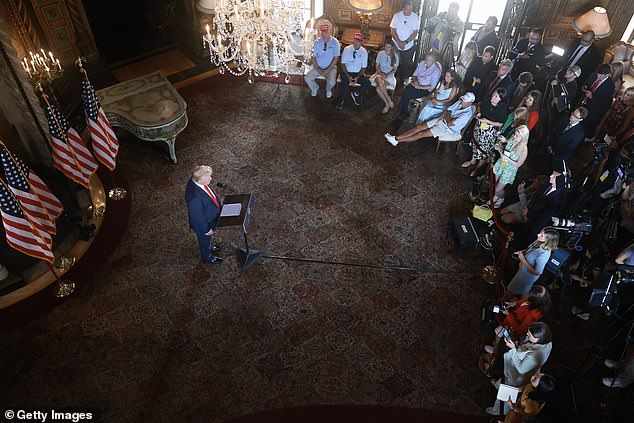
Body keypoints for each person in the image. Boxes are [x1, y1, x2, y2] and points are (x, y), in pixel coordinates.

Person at [486, 322, 553, 416]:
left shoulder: (535, 355)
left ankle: (497, 411)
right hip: (523, 371)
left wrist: (514, 349)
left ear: (538, 338)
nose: (527, 334)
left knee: (506, 395)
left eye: (530, 334)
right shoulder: (546, 341)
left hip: (519, 375)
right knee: (505, 380)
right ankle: (498, 386)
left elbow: (521, 368)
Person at [384, 92, 475, 146]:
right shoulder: (459, 102)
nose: (462, 101)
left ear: (470, 103)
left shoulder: (467, 114)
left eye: (465, 101)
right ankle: (395, 139)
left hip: (448, 129)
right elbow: (447, 110)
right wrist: (449, 116)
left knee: (421, 133)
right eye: (463, 99)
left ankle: (397, 140)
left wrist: (448, 115)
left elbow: (450, 123)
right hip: (442, 120)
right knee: (419, 127)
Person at [485, 285, 551, 352]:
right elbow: (524, 301)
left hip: (512, 325)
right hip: (512, 315)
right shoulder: (537, 300)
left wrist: (508, 314)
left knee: (498, 332)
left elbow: (520, 330)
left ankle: (495, 348)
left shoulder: (532, 316)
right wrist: (513, 304)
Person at [461, 89, 510, 177]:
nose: (493, 97)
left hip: (489, 132)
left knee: (483, 149)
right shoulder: (487, 100)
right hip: (479, 127)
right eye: (493, 94)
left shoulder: (502, 109)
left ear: (500, 99)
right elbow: (480, 105)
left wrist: (488, 121)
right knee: (475, 144)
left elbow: (501, 123)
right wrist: (479, 113)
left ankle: (478, 167)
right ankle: (472, 161)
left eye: (496, 96)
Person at [185, 165, 224, 264]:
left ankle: (210, 248)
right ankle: (207, 258)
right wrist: (206, 230)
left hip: (209, 217)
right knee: (204, 241)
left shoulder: (195, 180)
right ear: (201, 179)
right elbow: (197, 217)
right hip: (204, 226)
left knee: (206, 242)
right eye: (208, 177)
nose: (211, 178)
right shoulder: (195, 198)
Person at [506, 228, 559, 297]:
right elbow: (531, 249)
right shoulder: (539, 240)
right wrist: (523, 251)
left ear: (548, 240)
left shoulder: (544, 254)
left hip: (527, 275)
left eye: (542, 235)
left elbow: (537, 272)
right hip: (523, 269)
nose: (538, 235)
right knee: (524, 289)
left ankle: (503, 300)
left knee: (512, 288)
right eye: (540, 233)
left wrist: (523, 260)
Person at [491, 112, 530, 207]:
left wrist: (507, 158)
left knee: (497, 189)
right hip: (501, 163)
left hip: (509, 170)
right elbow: (506, 147)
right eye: (515, 134)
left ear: (523, 138)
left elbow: (518, 164)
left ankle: (498, 199)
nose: (514, 137)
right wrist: (500, 147)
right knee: (495, 183)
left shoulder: (524, 150)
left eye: (517, 136)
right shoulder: (513, 138)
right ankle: (498, 197)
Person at [394, 52, 441, 121]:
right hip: (416, 84)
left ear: (434, 61)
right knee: (406, 90)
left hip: (425, 89)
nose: (427, 61)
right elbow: (414, 75)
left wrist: (420, 87)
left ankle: (402, 111)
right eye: (426, 59)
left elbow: (432, 87)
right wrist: (416, 81)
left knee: (406, 94)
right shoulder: (422, 63)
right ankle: (403, 111)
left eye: (430, 60)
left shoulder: (436, 70)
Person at [546, 107, 588, 172]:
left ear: (580, 120)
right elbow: (554, 131)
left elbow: (569, 149)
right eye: (572, 113)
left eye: (575, 116)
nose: (571, 116)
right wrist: (549, 144)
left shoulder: (579, 134)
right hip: (549, 148)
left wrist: (554, 152)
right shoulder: (565, 119)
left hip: (558, 157)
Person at [304, 23, 340, 99]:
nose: (324, 34)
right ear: (320, 32)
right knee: (307, 78)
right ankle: (315, 88)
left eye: (325, 32)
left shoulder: (335, 42)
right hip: (318, 66)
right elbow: (313, 57)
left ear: (329, 31)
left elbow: (336, 58)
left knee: (332, 82)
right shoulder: (316, 42)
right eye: (322, 32)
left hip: (331, 68)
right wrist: (318, 69)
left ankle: (328, 89)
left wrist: (328, 70)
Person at [580, 63, 615, 140]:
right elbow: (587, 83)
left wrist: (592, 97)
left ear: (607, 75)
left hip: (595, 109)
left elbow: (604, 103)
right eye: (597, 74)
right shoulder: (595, 73)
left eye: (600, 75)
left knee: (586, 126)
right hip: (584, 103)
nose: (597, 77)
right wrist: (585, 87)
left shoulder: (610, 86)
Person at [336, 33, 370, 111]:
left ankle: (356, 94)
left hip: (357, 73)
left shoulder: (364, 52)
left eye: (358, 41)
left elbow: (364, 67)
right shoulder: (347, 49)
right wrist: (348, 76)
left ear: (361, 42)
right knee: (345, 85)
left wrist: (357, 77)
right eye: (354, 41)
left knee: (367, 83)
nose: (355, 43)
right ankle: (340, 101)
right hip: (346, 72)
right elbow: (343, 64)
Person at [390, 0, 420, 84]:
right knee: (395, 62)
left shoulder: (415, 17)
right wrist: (399, 42)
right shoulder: (396, 16)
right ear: (403, 8)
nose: (409, 11)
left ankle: (404, 80)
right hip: (396, 44)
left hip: (408, 46)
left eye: (410, 9)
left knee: (406, 64)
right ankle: (395, 79)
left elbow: (414, 33)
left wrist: (405, 42)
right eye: (407, 9)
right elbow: (393, 31)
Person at [428, 2, 464, 68]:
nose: (451, 12)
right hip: (435, 46)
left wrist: (448, 26)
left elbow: (456, 34)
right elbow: (432, 23)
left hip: (447, 50)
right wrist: (433, 20)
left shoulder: (459, 23)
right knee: (432, 66)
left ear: (457, 11)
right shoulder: (442, 14)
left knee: (443, 67)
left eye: (453, 11)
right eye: (450, 9)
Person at [371, 39, 399, 114]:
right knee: (380, 83)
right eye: (386, 46)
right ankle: (389, 101)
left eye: (389, 47)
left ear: (392, 47)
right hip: (379, 73)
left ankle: (387, 104)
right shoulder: (381, 53)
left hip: (389, 75)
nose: (387, 48)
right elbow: (377, 66)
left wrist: (387, 75)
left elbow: (395, 69)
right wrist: (382, 73)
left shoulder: (395, 55)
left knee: (378, 89)